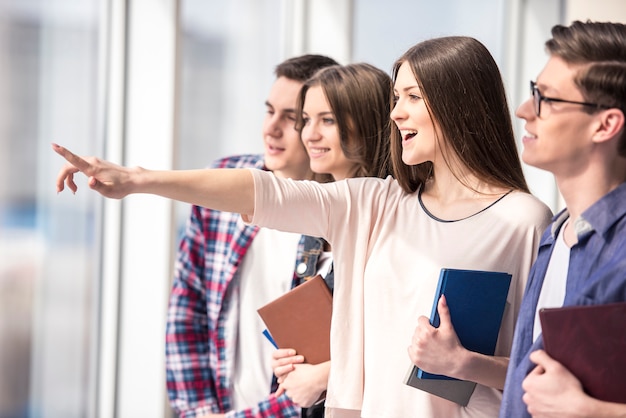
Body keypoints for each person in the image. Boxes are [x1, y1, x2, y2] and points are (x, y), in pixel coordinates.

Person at [52, 36, 553, 418]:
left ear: (456, 103)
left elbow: (544, 374)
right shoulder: (378, 204)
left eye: (411, 97)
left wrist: (466, 365)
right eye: (395, 97)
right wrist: (136, 179)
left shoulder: (523, 223)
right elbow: (264, 191)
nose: (395, 113)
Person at [165, 54, 338, 418]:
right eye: (269, 111)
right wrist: (197, 411)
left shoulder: (340, 220)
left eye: (291, 118)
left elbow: (319, 373)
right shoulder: (225, 180)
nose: (271, 129)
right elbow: (188, 303)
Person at [499, 20, 626, 418]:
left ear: (605, 124)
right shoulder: (555, 234)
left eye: (547, 99)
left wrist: (591, 411)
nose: (523, 111)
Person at [269, 62, 393, 416]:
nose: (310, 134)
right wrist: (293, 362)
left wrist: (323, 375)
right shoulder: (316, 227)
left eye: (327, 120)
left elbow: (402, 341)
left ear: (367, 124)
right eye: (306, 120)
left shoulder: (393, 220)